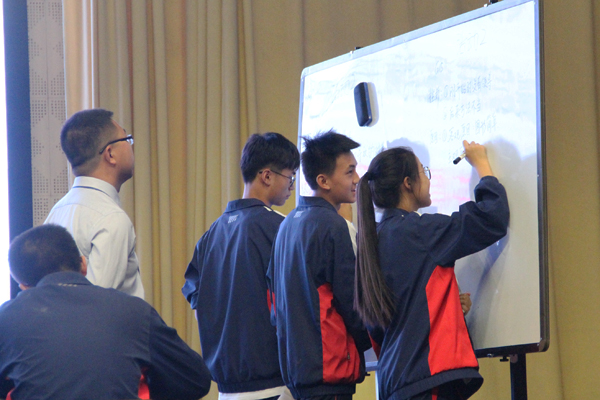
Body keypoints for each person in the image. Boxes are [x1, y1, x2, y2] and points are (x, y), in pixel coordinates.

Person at [354, 140, 510, 400]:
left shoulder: (372, 241)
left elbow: (379, 326)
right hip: (426, 379)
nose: (428, 179)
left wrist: (447, 309)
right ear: (407, 183)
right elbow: (491, 219)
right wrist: (482, 164)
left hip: (396, 381)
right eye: (424, 172)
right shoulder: (420, 231)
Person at [0, 224, 211, 400]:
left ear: (24, 286)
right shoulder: (134, 311)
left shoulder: (7, 318)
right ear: (83, 264)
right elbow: (195, 380)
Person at [182, 132, 300, 400]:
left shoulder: (211, 235)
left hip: (226, 388)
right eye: (290, 177)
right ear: (267, 176)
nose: (292, 186)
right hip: (273, 385)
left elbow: (198, 305)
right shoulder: (280, 228)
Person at [267, 131, 371, 400]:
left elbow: (274, 302)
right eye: (349, 172)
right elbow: (353, 304)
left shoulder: (287, 224)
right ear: (323, 181)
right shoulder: (333, 226)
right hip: (328, 374)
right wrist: (373, 339)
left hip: (298, 372)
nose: (357, 179)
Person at [45, 108, 144, 298]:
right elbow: (97, 304)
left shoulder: (57, 212)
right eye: (126, 139)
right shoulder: (111, 219)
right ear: (110, 154)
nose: (130, 146)